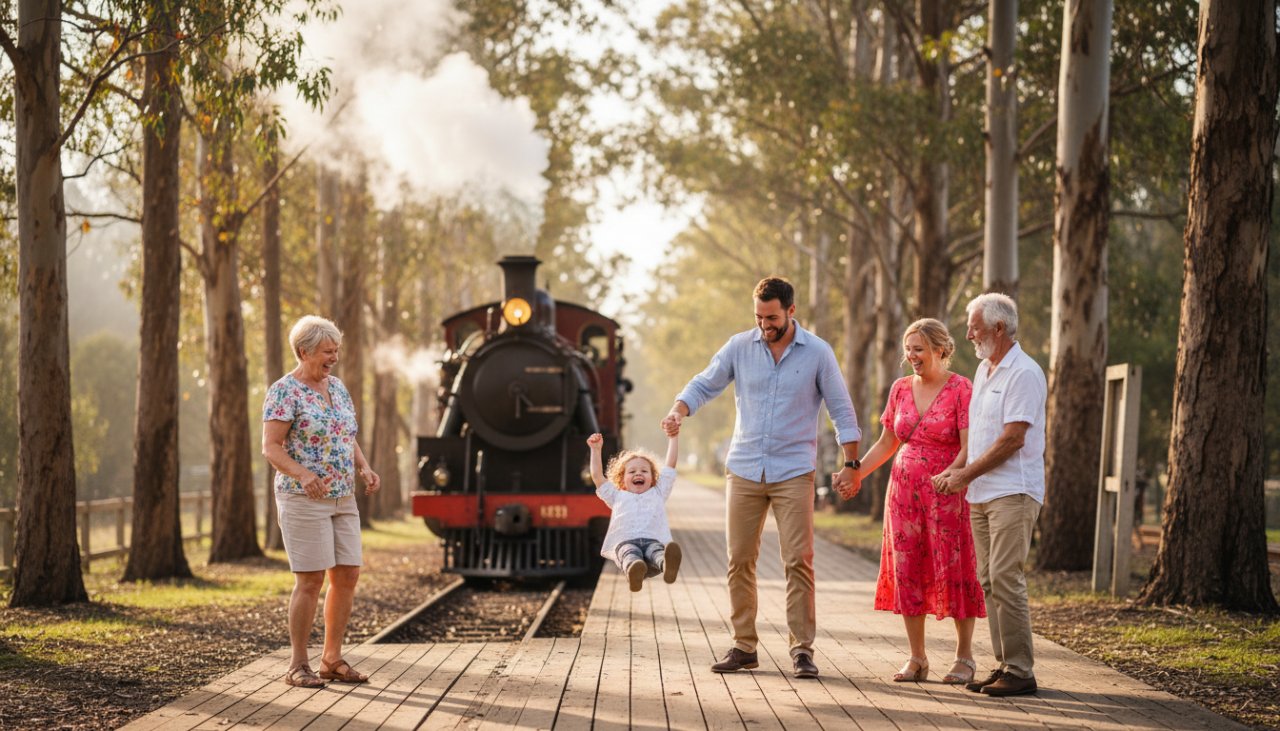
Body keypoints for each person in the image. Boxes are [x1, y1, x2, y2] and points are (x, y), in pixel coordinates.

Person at [662, 276, 861, 680]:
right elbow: (705, 382)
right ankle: (743, 646)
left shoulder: (818, 353)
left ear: (791, 311)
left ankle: (802, 650)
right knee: (739, 560)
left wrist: (851, 463)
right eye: (758, 316)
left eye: (771, 317)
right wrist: (679, 410)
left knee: (798, 562)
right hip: (745, 468)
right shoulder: (740, 346)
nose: (764, 324)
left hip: (793, 471)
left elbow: (842, 409)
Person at [851, 318, 984, 685]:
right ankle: (917, 658)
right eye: (908, 349)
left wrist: (954, 474)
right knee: (909, 569)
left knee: (955, 568)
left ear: (940, 350)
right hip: (904, 495)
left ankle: (965, 657)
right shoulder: (899, 389)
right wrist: (855, 473)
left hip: (948, 494)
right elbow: (887, 442)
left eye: (919, 349)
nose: (911, 356)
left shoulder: (961, 389)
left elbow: (969, 444)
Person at [933, 293, 1046, 697]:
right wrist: (957, 469)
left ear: (999, 329)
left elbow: (1012, 439)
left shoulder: (1024, 373)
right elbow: (979, 437)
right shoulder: (984, 370)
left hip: (1013, 491)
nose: (968, 334)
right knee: (988, 579)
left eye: (975, 327)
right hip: (981, 492)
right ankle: (1004, 666)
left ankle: (1021, 670)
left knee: (1005, 576)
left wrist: (964, 475)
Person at [262, 315, 382, 688]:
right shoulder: (284, 391)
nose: (334, 358)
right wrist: (303, 474)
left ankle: (331, 659)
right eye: (327, 352)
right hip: (303, 498)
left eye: (336, 351)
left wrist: (363, 467)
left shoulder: (338, 388)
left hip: (343, 497)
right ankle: (298, 664)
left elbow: (345, 434)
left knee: (347, 574)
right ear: (304, 351)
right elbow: (271, 447)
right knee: (311, 579)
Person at [587, 431, 682, 592]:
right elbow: (597, 477)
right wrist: (595, 450)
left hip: (653, 540)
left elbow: (670, 465)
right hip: (626, 541)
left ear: (653, 478)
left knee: (657, 552)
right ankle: (634, 571)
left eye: (644, 471)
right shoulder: (617, 496)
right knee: (628, 553)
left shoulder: (658, 493)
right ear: (622, 480)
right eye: (632, 472)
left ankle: (667, 566)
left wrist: (673, 438)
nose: (638, 473)